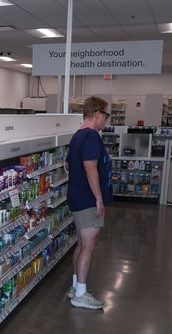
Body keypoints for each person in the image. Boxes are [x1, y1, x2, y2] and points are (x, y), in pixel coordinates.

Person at [64, 96, 112, 310]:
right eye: (106, 115)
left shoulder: (77, 136)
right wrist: (99, 198)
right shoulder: (92, 137)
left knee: (82, 244)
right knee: (89, 245)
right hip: (87, 199)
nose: (106, 120)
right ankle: (81, 294)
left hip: (76, 196)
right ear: (98, 114)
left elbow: (67, 165)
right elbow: (90, 168)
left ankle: (76, 287)